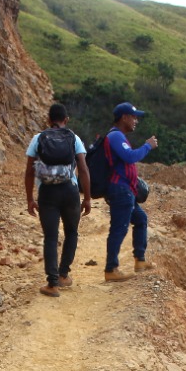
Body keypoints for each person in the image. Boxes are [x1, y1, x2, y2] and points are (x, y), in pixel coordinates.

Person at [25, 103, 91, 297]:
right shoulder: (74, 138)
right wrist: (87, 198)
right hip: (70, 191)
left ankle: (52, 285)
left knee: (51, 237)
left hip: (47, 193)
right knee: (72, 232)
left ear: (48, 120)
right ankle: (63, 275)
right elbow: (83, 169)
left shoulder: (38, 138)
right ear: (66, 120)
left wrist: (30, 199)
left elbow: (29, 172)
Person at [101, 102, 158, 282]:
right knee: (119, 228)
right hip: (120, 189)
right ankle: (111, 269)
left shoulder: (120, 136)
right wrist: (147, 146)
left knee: (140, 219)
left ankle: (140, 260)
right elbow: (130, 156)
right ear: (124, 118)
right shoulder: (115, 136)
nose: (136, 121)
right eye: (134, 117)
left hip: (127, 190)